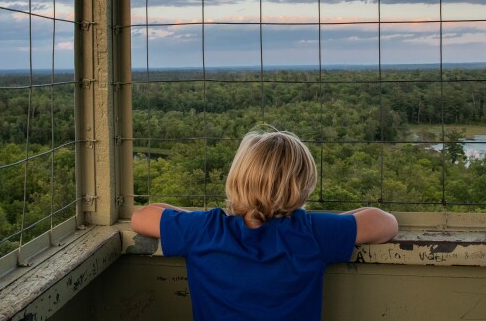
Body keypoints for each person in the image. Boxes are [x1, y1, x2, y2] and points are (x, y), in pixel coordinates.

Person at [130, 127, 399, 320]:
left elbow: (141, 217)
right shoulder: (312, 232)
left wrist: (194, 218)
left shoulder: (204, 229)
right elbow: (385, 222)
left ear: (238, 178)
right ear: (302, 188)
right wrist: (330, 223)